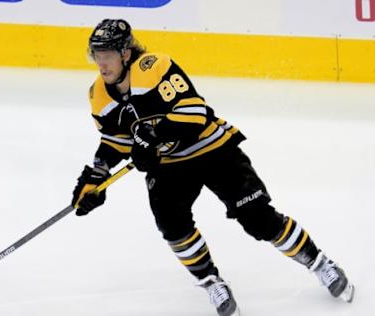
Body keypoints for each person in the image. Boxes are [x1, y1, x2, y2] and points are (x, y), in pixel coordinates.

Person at [71, 19, 354, 316]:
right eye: (97, 56)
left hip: (213, 149)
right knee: (172, 225)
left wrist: (152, 138)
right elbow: (115, 141)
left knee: (259, 219)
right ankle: (210, 281)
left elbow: (194, 113)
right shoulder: (98, 95)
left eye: (108, 56)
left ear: (126, 53)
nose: (102, 64)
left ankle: (320, 263)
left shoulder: (154, 67)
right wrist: (96, 176)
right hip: (170, 166)